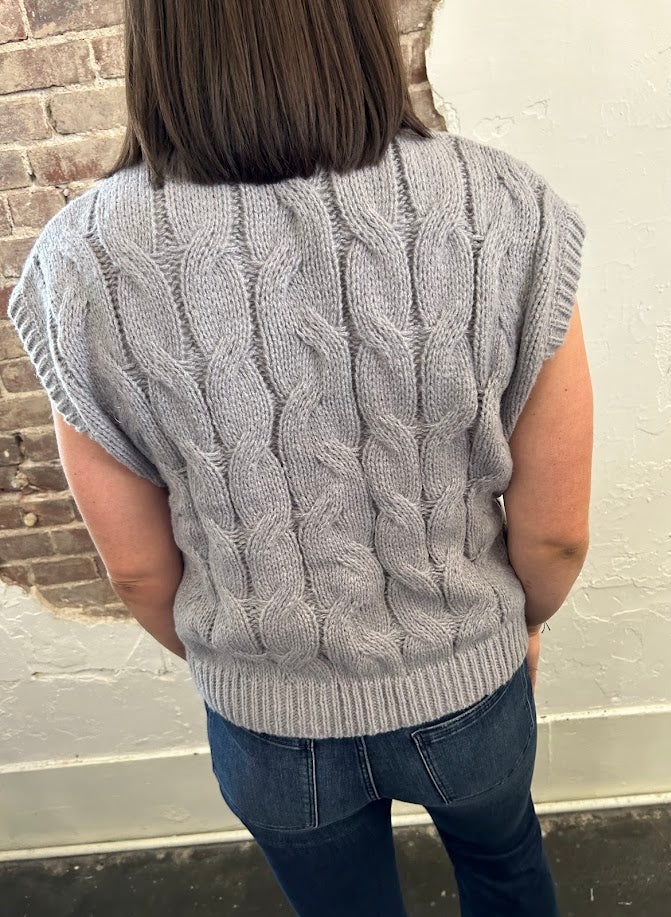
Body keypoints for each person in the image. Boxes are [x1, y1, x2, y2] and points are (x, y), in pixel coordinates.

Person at [7, 1, 593, 914]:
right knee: (506, 866)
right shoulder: (504, 208)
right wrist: (517, 626)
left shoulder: (82, 262)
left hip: (268, 725)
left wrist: (248, 667)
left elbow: (136, 571)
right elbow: (555, 535)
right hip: (471, 684)